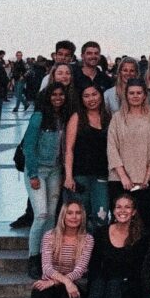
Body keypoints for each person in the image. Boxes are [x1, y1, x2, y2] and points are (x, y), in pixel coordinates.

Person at [23, 82, 72, 279]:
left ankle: (47, 256)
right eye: (54, 95)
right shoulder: (38, 117)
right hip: (38, 170)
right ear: (47, 97)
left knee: (52, 216)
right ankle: (33, 257)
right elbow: (28, 145)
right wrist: (33, 174)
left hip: (55, 171)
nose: (58, 98)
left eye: (61, 94)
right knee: (41, 214)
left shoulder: (63, 117)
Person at [108, 78, 150, 231]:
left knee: (144, 221)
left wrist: (146, 178)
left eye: (139, 93)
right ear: (126, 95)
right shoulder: (117, 118)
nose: (135, 96)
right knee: (120, 221)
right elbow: (112, 148)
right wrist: (124, 176)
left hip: (146, 180)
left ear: (145, 95)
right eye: (131, 93)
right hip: (119, 180)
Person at [64, 85, 111, 232]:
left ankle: (98, 251)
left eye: (94, 94)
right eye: (86, 96)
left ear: (101, 96)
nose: (91, 99)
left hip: (102, 174)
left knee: (101, 215)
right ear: (81, 99)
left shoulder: (108, 118)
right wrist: (68, 176)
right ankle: (81, 252)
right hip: (80, 175)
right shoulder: (77, 117)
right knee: (79, 217)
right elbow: (69, 150)